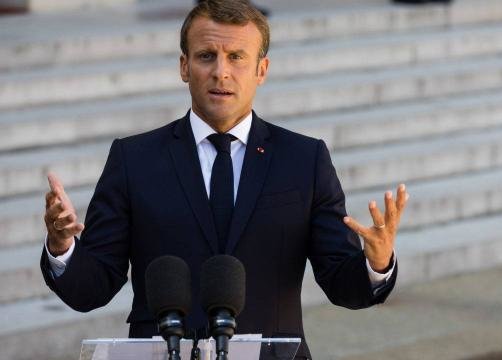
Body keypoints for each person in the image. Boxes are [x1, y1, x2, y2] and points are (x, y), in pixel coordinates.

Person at [40, 0, 408, 358]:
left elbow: (343, 285)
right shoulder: (133, 159)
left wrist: (376, 264)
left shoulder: (304, 159)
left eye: (236, 57)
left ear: (261, 70)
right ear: (184, 66)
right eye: (206, 56)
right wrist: (62, 248)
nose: (221, 72)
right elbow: (91, 287)